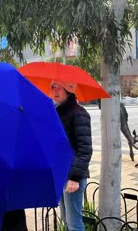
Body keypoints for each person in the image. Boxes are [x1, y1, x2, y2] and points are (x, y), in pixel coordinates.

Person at [51, 81, 93, 231]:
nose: (54, 91)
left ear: (68, 90)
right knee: (66, 219)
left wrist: (74, 178)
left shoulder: (79, 113)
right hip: (61, 173)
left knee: (74, 223)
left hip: (72, 176)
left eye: (58, 87)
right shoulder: (56, 112)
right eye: (52, 87)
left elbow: (85, 149)